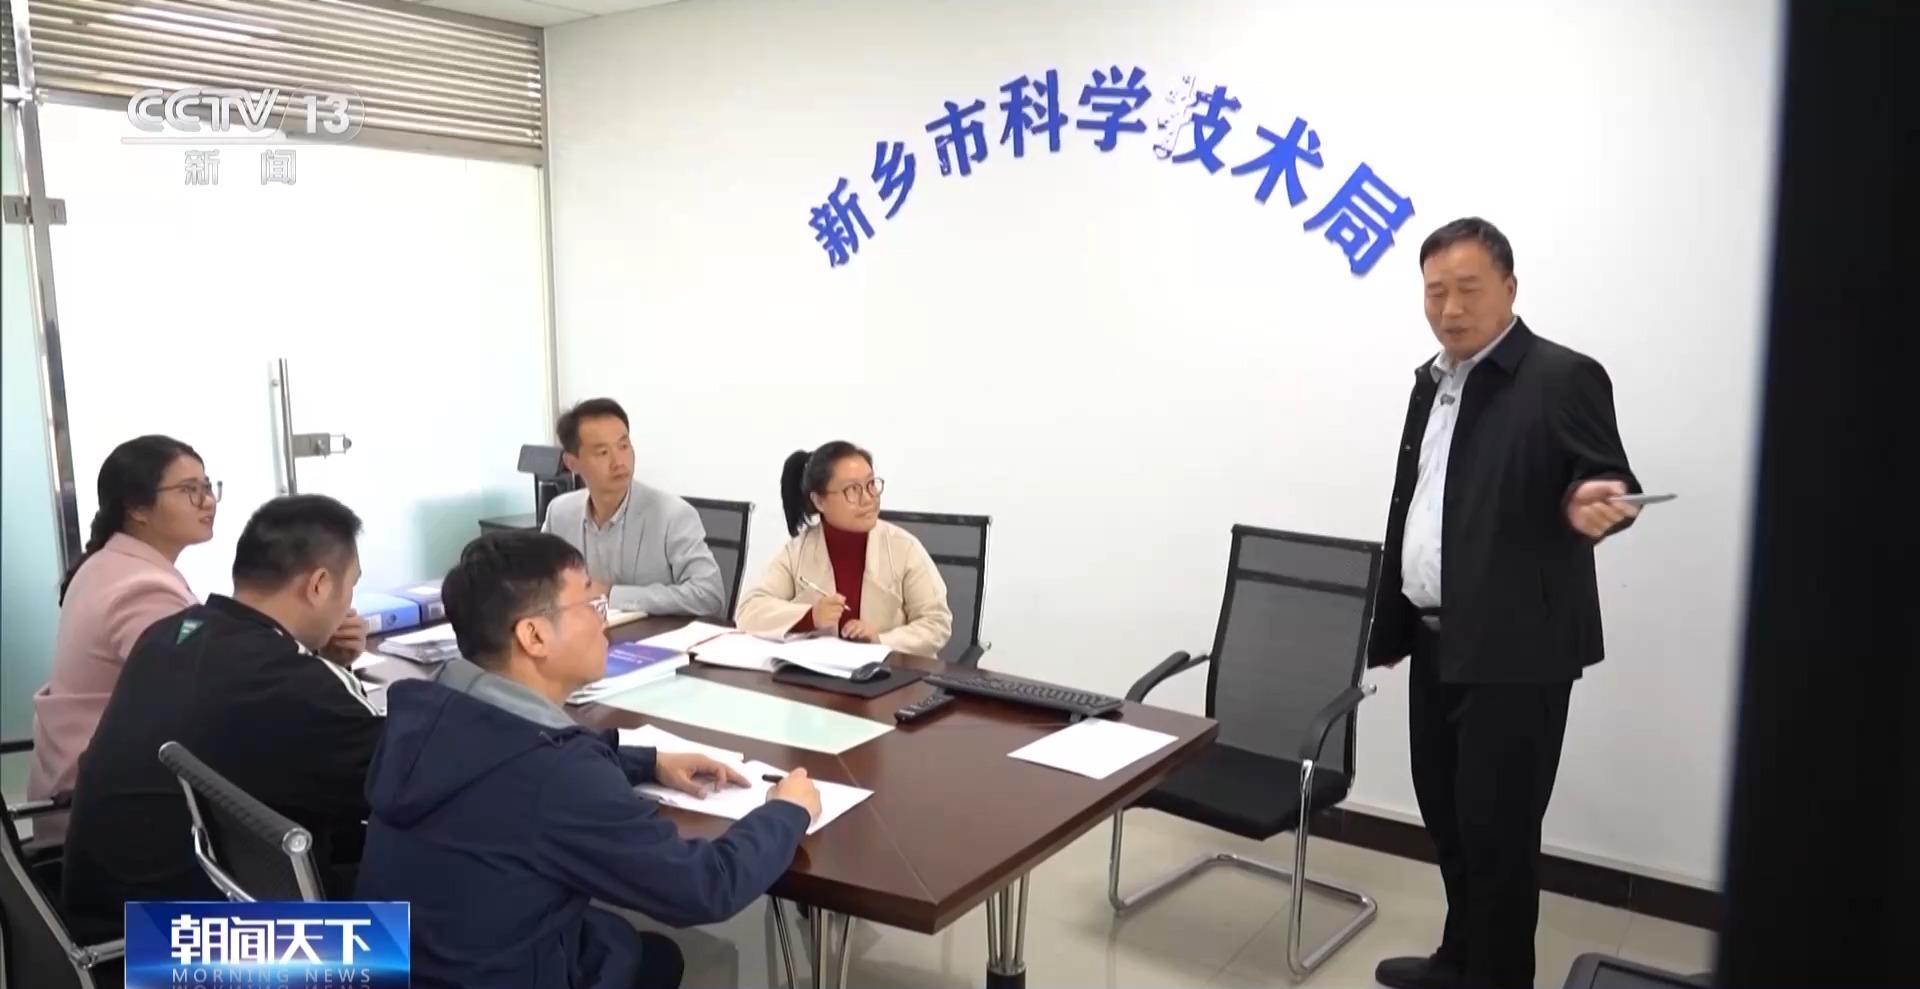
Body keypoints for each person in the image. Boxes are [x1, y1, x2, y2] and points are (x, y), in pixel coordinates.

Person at [357, 530, 820, 989]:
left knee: (620, 940)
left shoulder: (425, 716)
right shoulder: (557, 774)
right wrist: (786, 810)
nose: (605, 623)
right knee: (652, 955)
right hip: (492, 973)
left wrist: (646, 762)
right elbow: (705, 887)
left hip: (381, 966)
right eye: (591, 605)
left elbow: (506, 761)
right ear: (534, 635)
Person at [1368, 218, 1642, 989]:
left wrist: (1599, 499)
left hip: (1518, 648)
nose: (1450, 308)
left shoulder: (1562, 376)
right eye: (1435, 292)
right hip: (1437, 639)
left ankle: (1497, 977)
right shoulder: (1431, 383)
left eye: (1468, 289)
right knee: (1446, 815)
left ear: (1510, 288)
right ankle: (1459, 959)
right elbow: (1419, 501)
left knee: (1499, 833)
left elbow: (1608, 480)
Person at [59, 495, 381, 943]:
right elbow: (407, 784)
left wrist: (317, 663)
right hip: (181, 946)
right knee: (431, 933)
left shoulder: (172, 633)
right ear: (319, 585)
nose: (349, 605)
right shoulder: (290, 683)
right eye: (351, 586)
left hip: (100, 923)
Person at [26, 435, 215, 843]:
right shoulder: (141, 587)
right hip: (110, 820)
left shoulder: (109, 564)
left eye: (207, 486)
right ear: (136, 508)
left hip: (82, 798)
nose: (208, 501)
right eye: (189, 489)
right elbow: (200, 696)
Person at [734, 441, 952, 655]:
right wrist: (810, 616)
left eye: (871, 484)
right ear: (819, 501)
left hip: (892, 671)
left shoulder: (904, 547)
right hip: (820, 671)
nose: (868, 498)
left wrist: (881, 640)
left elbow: (936, 623)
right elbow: (748, 610)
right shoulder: (799, 551)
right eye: (852, 490)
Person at [541, 397, 725, 617]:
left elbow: (709, 595)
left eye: (624, 446)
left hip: (653, 635)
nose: (619, 462)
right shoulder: (559, 513)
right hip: (584, 632)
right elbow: (538, 584)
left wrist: (612, 595)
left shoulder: (673, 516)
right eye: (603, 452)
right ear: (572, 463)